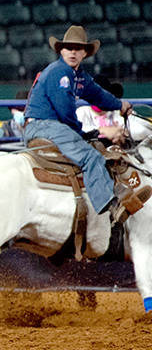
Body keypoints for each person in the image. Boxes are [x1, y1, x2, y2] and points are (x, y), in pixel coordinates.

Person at [24, 25, 133, 219]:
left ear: (85, 53)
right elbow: (65, 110)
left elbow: (97, 94)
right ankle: (110, 205)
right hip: (44, 125)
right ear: (61, 51)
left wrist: (119, 104)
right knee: (91, 156)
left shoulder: (79, 76)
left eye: (78, 48)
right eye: (68, 48)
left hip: (48, 126)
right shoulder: (60, 73)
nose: (72, 52)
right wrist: (79, 133)